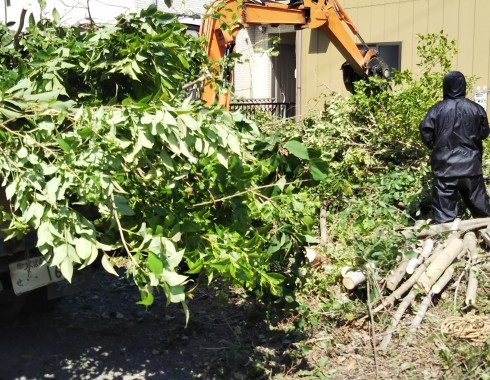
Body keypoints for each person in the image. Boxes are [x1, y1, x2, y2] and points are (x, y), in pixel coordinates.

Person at [419, 70, 490, 224]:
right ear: (463, 86)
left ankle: (448, 243)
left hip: (445, 169)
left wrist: (437, 147)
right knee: (484, 215)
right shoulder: (476, 109)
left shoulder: (436, 110)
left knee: (445, 220)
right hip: (471, 169)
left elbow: (425, 132)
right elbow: (484, 133)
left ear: (445, 87)